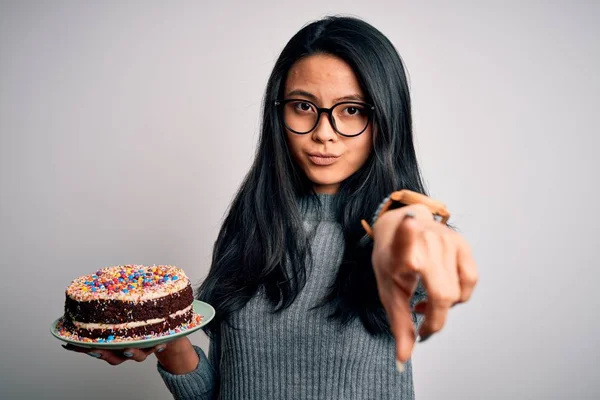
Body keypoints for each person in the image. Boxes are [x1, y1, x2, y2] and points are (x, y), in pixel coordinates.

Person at [63, 15, 478, 400]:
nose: (323, 134)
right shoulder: (250, 227)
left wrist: (413, 222)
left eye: (351, 111)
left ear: (386, 119)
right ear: (277, 113)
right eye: (303, 107)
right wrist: (172, 346)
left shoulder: (400, 239)